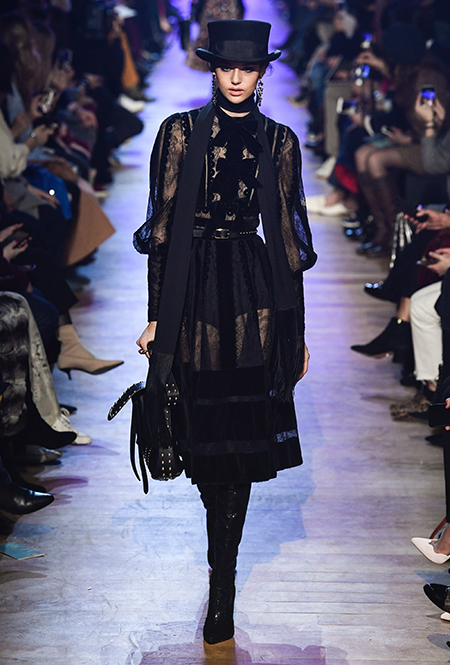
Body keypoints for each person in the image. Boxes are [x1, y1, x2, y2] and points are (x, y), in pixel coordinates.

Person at [134, 20, 316, 645]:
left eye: (249, 68)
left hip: (251, 289)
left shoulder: (280, 141)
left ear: (262, 72)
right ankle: (221, 570)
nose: (237, 77)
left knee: (238, 440)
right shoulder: (179, 133)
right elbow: (163, 230)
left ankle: (223, 590)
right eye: (227, 67)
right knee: (205, 440)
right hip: (192, 291)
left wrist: (296, 331)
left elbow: (288, 243)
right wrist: (157, 316)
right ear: (212, 69)